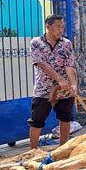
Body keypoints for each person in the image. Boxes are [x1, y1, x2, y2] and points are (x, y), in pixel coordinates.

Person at [28, 14, 77, 149]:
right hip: (44, 89)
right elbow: (41, 64)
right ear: (48, 27)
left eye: (62, 27)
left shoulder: (66, 44)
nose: (61, 30)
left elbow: (70, 66)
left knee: (65, 117)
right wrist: (59, 79)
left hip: (64, 90)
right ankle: (33, 150)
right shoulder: (36, 43)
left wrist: (73, 84)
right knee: (37, 120)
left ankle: (63, 148)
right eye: (58, 27)